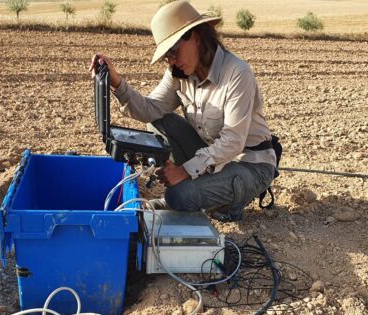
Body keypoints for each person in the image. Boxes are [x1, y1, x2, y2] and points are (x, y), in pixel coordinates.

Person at [89, 1, 277, 222]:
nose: (171, 60)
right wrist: (117, 82)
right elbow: (151, 110)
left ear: (196, 37)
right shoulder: (178, 72)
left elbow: (232, 142)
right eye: (167, 55)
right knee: (160, 121)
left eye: (174, 51)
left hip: (249, 163)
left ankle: (228, 205)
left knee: (179, 195)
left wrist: (185, 171)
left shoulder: (237, 73)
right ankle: (203, 193)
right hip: (213, 157)